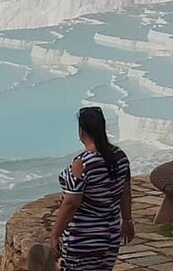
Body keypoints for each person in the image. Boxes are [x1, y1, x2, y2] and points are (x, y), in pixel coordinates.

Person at [50, 106, 133, 271]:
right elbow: (125, 192)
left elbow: (71, 203)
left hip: (82, 238)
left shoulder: (82, 163)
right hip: (110, 235)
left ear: (82, 131)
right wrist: (127, 220)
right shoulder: (120, 157)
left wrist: (54, 234)